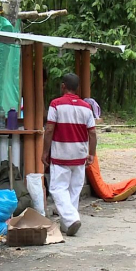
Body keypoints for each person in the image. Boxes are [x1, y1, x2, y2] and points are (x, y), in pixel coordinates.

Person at [41, 73, 97, 236]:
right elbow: (92, 133)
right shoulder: (86, 107)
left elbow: (50, 129)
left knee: (58, 188)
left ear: (63, 86)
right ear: (77, 88)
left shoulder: (55, 104)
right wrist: (91, 153)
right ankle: (68, 224)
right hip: (79, 155)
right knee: (74, 189)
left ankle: (72, 219)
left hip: (61, 155)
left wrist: (45, 152)